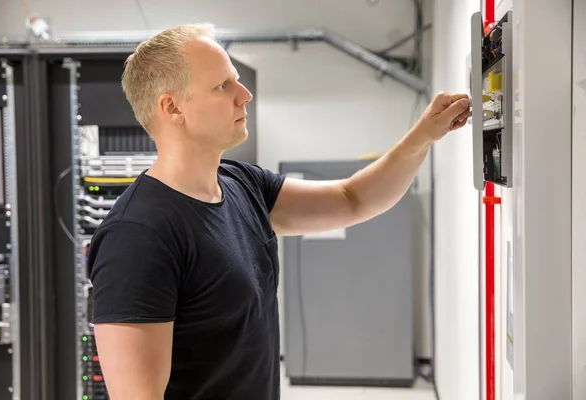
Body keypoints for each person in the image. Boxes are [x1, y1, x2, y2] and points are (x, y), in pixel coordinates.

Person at [87, 23, 470, 400]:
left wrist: (422, 137)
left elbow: (352, 199)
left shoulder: (242, 184)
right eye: (223, 85)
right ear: (172, 108)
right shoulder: (138, 235)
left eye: (236, 80)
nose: (245, 95)